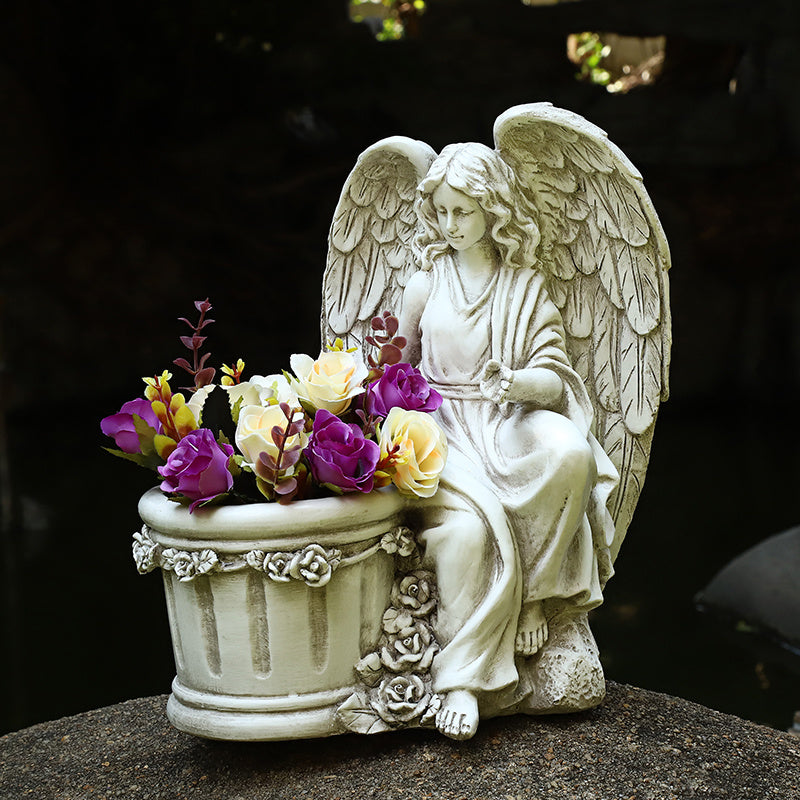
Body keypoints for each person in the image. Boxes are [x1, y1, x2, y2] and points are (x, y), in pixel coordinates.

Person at [398, 142, 619, 740]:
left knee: (570, 453)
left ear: (492, 209)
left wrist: (516, 382)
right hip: (441, 429)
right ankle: (462, 681)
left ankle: (537, 598)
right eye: (441, 212)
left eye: (462, 212)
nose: (449, 224)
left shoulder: (523, 287)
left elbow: (554, 376)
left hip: (504, 417)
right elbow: (390, 370)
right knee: (470, 532)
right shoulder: (425, 284)